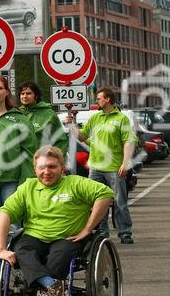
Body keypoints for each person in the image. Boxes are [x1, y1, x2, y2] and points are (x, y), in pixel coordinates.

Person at [0, 146, 114, 296]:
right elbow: (4, 214)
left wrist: (88, 228)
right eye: (42, 167)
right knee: (22, 250)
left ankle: (44, 287)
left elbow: (105, 194)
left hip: (67, 238)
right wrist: (1, 249)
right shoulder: (27, 187)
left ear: (62, 168)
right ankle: (50, 285)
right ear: (35, 169)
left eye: (52, 167)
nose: (46, 172)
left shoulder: (75, 183)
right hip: (34, 236)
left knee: (58, 258)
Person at [0, 75, 37, 288]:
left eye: (0, 88)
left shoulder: (19, 119)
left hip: (12, 180)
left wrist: (26, 181)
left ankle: (17, 271)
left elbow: (29, 151)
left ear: (6, 92)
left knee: (14, 227)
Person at [65, 87, 136, 244]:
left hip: (114, 167)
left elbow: (128, 141)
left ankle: (125, 232)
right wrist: (72, 126)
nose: (96, 101)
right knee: (97, 201)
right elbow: (83, 137)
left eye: (98, 98)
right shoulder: (95, 118)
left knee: (119, 201)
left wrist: (125, 163)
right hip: (95, 168)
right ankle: (102, 232)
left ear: (108, 99)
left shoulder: (121, 119)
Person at [18, 81, 68, 154]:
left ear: (36, 96)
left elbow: (60, 141)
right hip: (21, 163)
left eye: (28, 93)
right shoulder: (16, 114)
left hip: (43, 162)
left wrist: (55, 159)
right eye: (22, 94)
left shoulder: (49, 115)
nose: (24, 96)